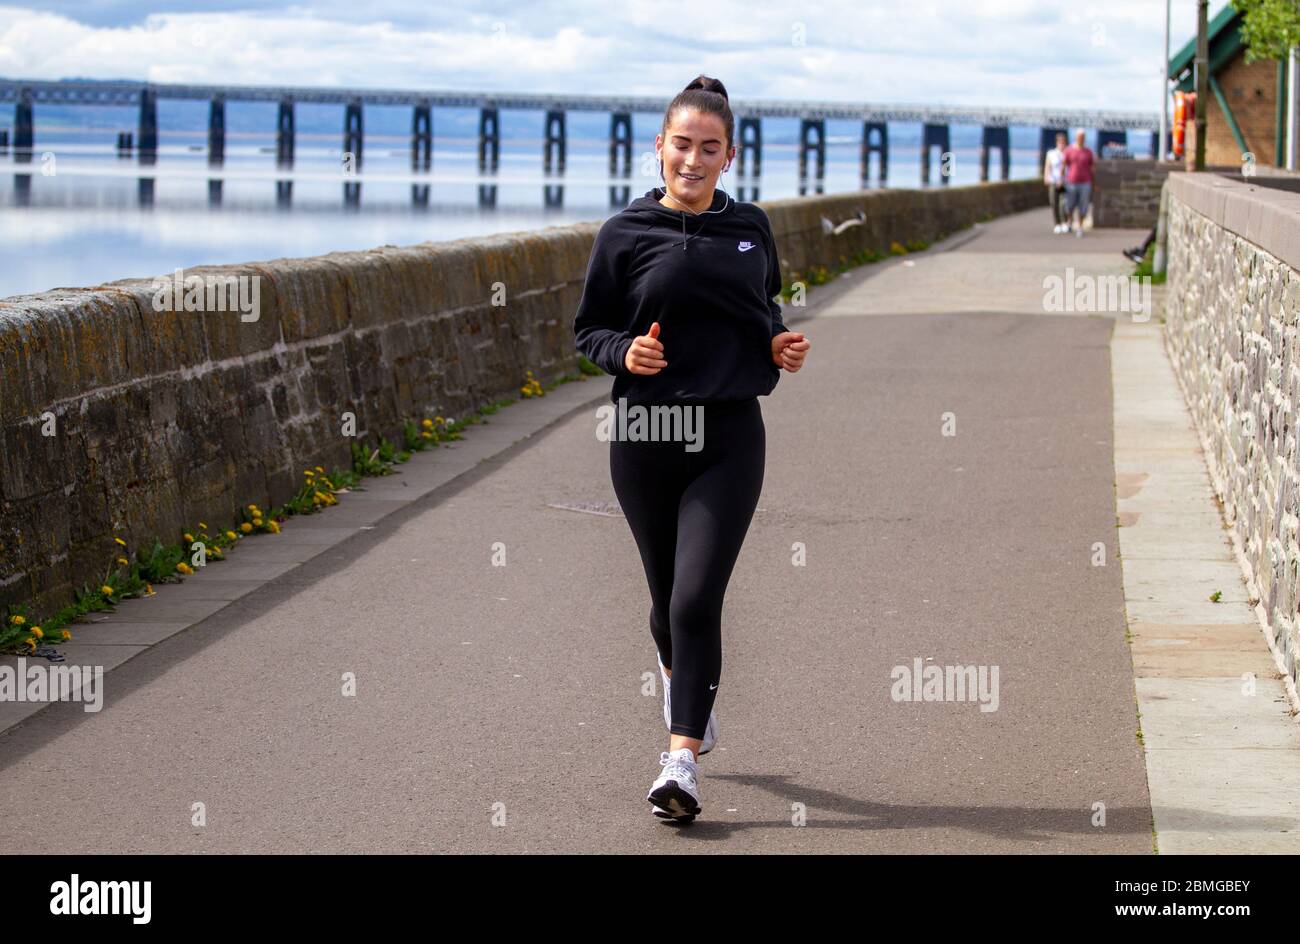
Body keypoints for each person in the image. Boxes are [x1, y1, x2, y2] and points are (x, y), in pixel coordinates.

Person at [572, 75, 811, 824]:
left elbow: (759, 308)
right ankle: (688, 694)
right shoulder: (624, 234)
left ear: (729, 155)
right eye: (682, 144)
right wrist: (623, 355)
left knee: (696, 597)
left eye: (710, 148)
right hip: (645, 435)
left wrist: (777, 340)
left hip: (729, 434)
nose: (694, 159)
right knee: (663, 603)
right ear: (660, 147)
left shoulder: (752, 229)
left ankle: (680, 761)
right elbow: (590, 332)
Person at [1061, 129, 1095, 239]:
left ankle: (1080, 226)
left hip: (1085, 182)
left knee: (1083, 205)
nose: (1082, 138)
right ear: (1076, 137)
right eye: (1080, 136)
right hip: (1071, 182)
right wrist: (1062, 179)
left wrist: (1094, 182)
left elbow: (1093, 168)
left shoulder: (1088, 151)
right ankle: (1069, 222)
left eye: (1083, 137)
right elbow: (1064, 165)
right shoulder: (1069, 150)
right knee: (1069, 205)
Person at [1043, 132, 1068, 234]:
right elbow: (1048, 166)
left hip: (1065, 182)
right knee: (1054, 203)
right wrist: (1046, 177)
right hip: (1053, 182)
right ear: (1057, 143)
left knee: (1064, 204)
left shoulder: (1067, 153)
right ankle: (1057, 224)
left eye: (1063, 142)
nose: (1062, 144)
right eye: (1060, 142)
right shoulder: (1051, 153)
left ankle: (1064, 222)